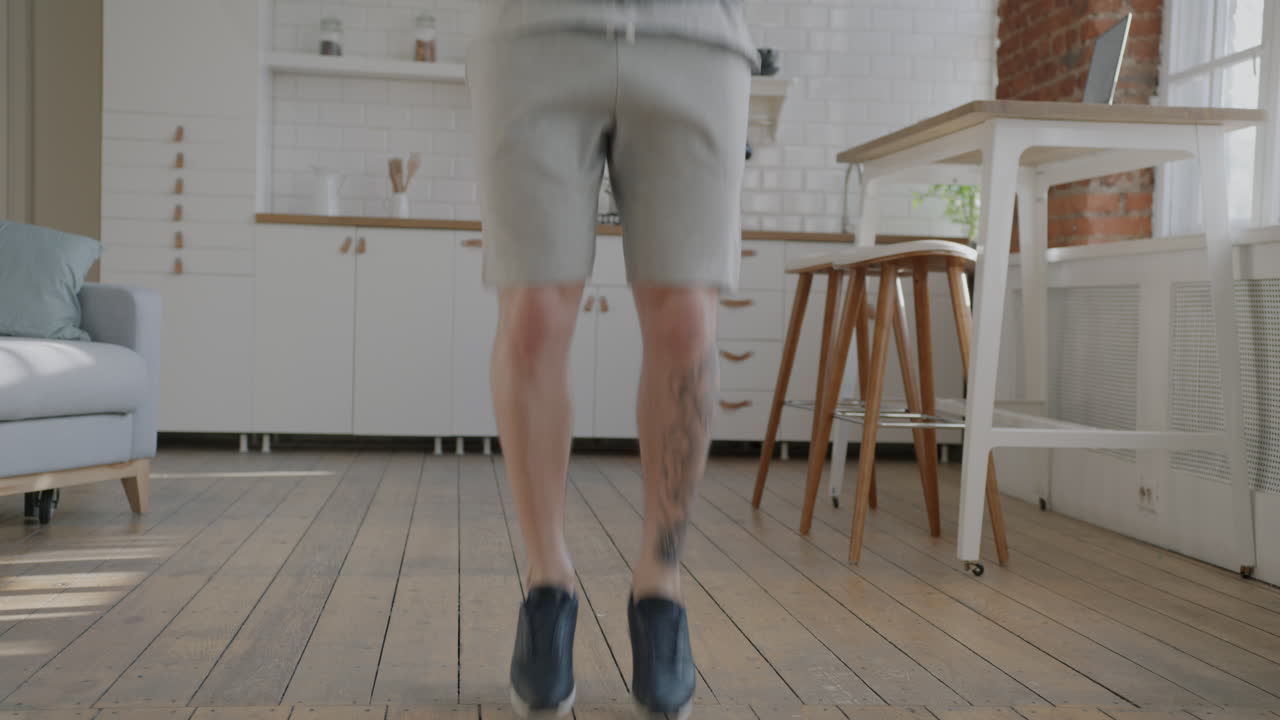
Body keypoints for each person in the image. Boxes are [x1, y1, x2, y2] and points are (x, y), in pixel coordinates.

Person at [467, 1, 757, 717]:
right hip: (533, 35)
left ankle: (660, 587)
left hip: (695, 40)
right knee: (532, 313)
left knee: (688, 318)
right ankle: (547, 582)